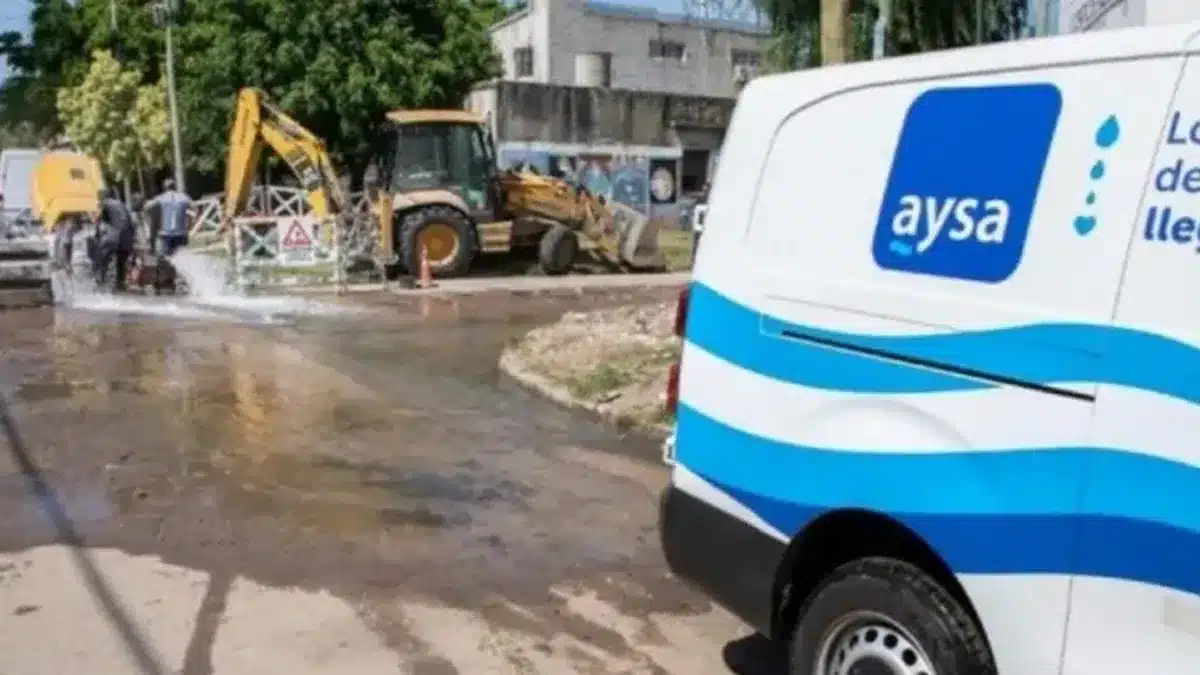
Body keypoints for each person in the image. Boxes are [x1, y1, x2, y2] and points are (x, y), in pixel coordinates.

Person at [94, 187, 137, 291]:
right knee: (120, 262)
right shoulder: (122, 204)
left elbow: (97, 219)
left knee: (100, 258)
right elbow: (132, 222)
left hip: (114, 238)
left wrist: (96, 233)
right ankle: (120, 284)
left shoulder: (105, 203)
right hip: (127, 239)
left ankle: (101, 283)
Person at [143, 178, 193, 257]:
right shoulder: (184, 197)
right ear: (175, 187)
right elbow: (194, 209)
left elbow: (146, 207)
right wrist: (190, 224)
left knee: (170, 259)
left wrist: (148, 221)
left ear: (165, 188)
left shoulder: (161, 198)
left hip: (167, 234)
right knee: (183, 257)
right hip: (182, 233)